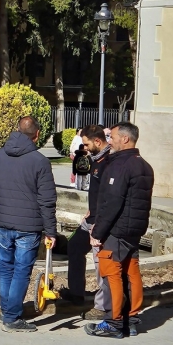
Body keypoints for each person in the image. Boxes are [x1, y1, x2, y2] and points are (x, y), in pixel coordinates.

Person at [0, 116, 57, 332]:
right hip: (29, 226)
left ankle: (7, 311)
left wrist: (5, 196)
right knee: (21, 271)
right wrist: (51, 231)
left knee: (5, 267)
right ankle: (12, 317)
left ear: (17, 130)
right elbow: (46, 201)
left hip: (4, 222)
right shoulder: (40, 161)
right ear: (37, 135)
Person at [85, 121, 154, 339]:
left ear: (125, 139)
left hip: (117, 230)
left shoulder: (120, 166)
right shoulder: (144, 165)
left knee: (111, 274)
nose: (110, 140)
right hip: (135, 229)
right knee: (132, 272)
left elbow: (112, 202)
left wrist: (97, 233)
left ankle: (114, 322)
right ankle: (131, 319)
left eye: (113, 136)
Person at [61, 125, 112, 317]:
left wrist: (99, 222)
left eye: (87, 144)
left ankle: (103, 306)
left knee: (102, 264)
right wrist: (90, 211)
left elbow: (110, 197)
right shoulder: (96, 159)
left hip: (100, 221)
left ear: (97, 142)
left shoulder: (109, 162)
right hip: (91, 217)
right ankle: (76, 294)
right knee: (74, 245)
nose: (85, 148)